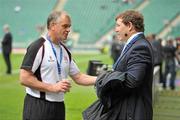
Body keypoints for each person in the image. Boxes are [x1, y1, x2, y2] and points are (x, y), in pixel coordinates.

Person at [19, 11, 96, 120]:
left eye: (69, 26)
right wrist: (52, 87)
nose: (68, 30)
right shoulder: (38, 46)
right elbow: (24, 78)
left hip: (59, 106)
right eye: (65, 26)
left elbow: (79, 77)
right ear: (53, 26)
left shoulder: (65, 51)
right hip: (38, 105)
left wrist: (102, 78)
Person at [83, 10, 154, 120]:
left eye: (118, 26)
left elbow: (132, 80)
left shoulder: (140, 47)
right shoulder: (135, 44)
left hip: (133, 113)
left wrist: (105, 78)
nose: (116, 30)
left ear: (129, 26)